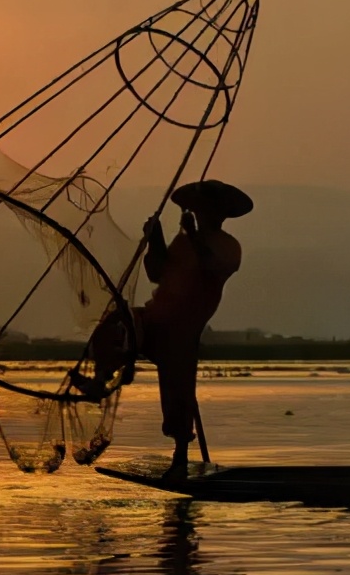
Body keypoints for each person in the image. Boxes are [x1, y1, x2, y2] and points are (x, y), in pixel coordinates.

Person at [72, 180, 252, 480]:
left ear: (222, 215)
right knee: (116, 323)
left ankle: (180, 458)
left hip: (183, 327)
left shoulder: (228, 246)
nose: (203, 215)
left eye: (209, 211)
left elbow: (210, 267)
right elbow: (158, 274)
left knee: (178, 391)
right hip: (156, 317)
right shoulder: (183, 242)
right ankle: (100, 380)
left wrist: (193, 235)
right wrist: (154, 240)